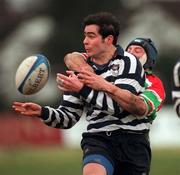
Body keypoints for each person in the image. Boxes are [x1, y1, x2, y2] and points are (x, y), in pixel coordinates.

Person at [12, 12, 147, 175]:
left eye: (91, 36)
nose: (85, 41)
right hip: (98, 139)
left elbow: (119, 108)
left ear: (109, 39)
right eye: (84, 36)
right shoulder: (78, 69)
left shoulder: (128, 62)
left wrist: (83, 89)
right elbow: (69, 118)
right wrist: (43, 112)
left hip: (133, 141)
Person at [64, 38, 165, 120]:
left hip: (133, 136)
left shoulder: (154, 82)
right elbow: (71, 57)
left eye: (137, 51)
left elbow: (142, 107)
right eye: (128, 50)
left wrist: (103, 85)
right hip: (98, 134)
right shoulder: (113, 67)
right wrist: (89, 72)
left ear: (150, 58)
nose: (131, 53)